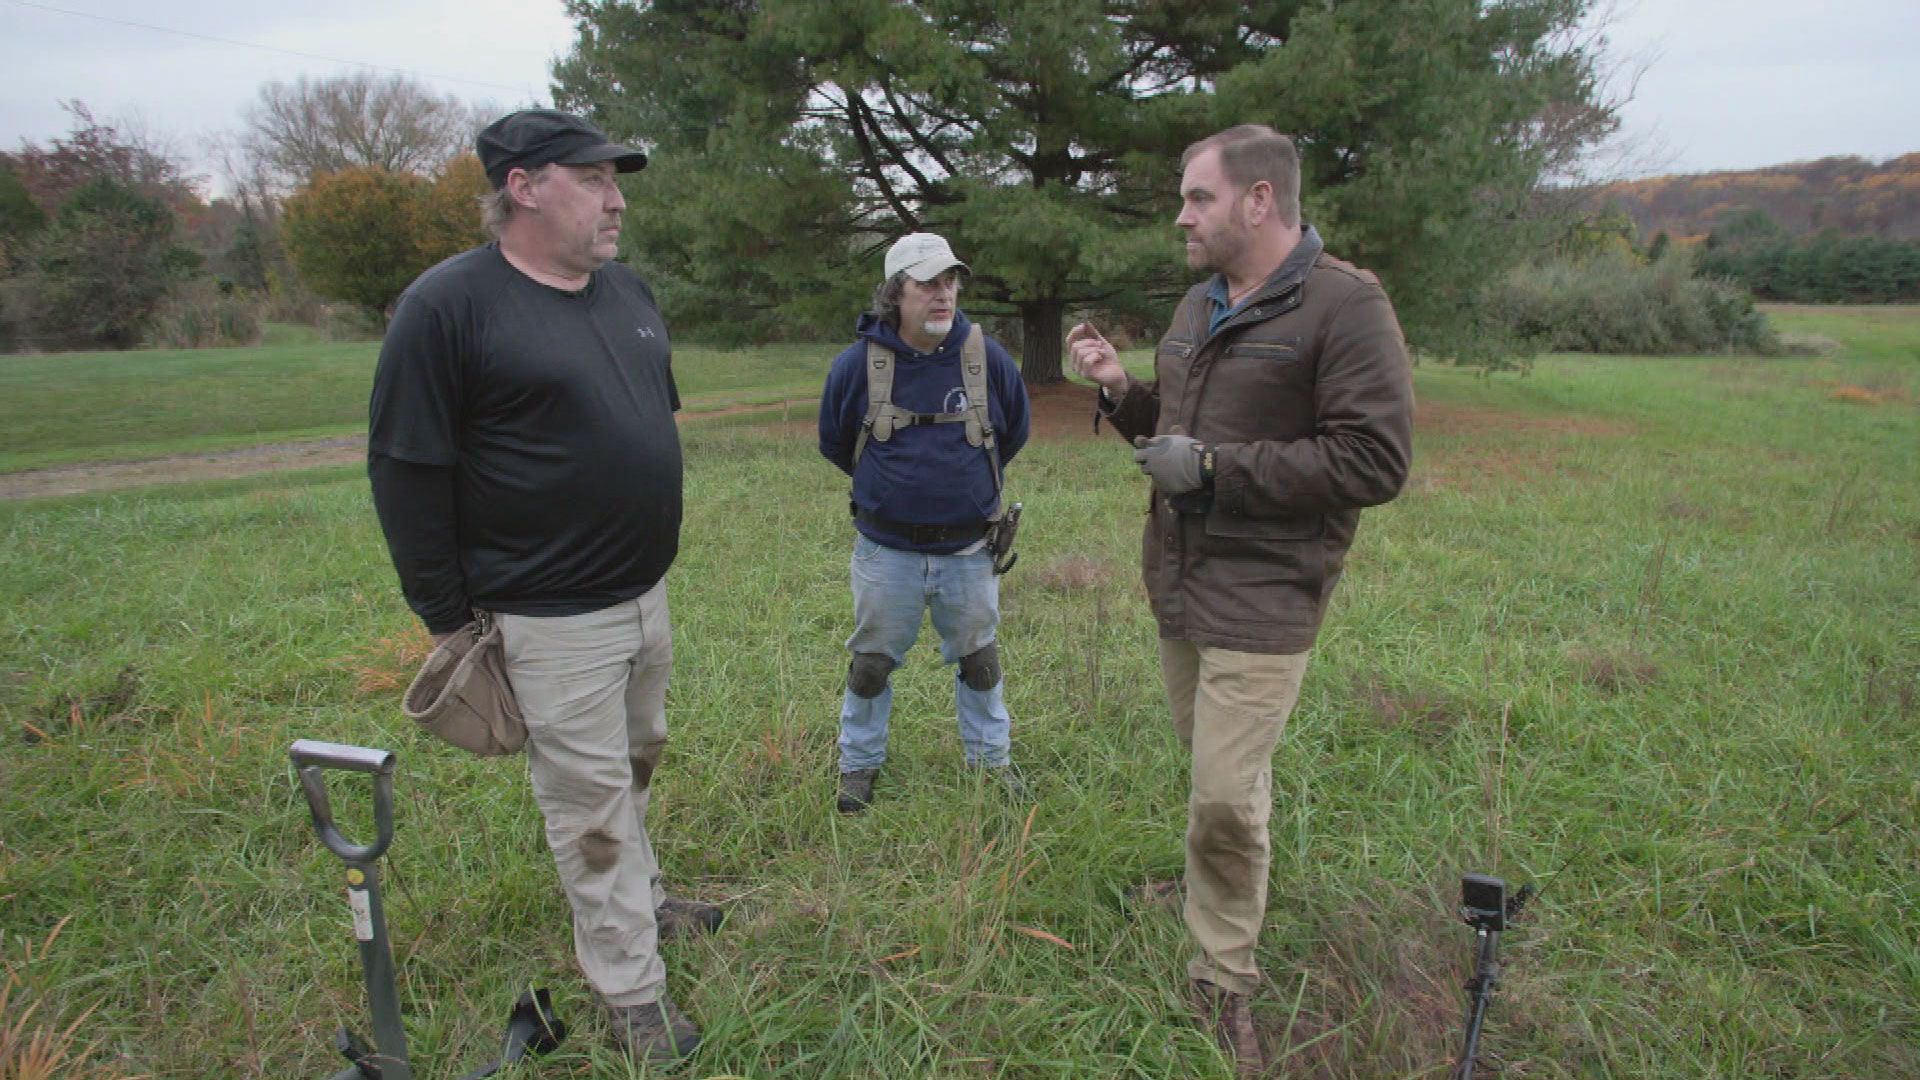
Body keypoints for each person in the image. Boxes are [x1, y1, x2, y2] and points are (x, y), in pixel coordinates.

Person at [366, 108, 719, 1066]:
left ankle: (644, 901)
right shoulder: (448, 308)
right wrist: (447, 620)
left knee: (637, 760)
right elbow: (404, 468)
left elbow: (646, 417)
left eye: (617, 182)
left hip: (643, 596)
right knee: (590, 807)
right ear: (523, 187)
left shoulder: (626, 291)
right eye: (595, 180)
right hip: (546, 618)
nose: (617, 201)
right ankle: (631, 994)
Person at [1066, 124, 1413, 1076]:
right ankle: (1216, 883)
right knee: (1215, 770)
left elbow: (1374, 461)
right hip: (1178, 579)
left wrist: (1217, 471)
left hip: (1269, 591)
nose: (1181, 214)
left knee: (1222, 793)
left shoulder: (1346, 305)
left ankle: (1223, 974)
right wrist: (1121, 391)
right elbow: (1174, 428)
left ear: (1259, 200)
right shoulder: (1196, 303)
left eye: (1198, 198)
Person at [818, 232, 1032, 813]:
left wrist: (962, 489)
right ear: (895, 294)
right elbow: (835, 442)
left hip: (969, 551)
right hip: (886, 553)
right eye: (928, 284)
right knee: (870, 665)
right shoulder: (857, 364)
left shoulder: (985, 357)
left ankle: (991, 764)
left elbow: (1011, 432)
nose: (944, 295)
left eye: (950, 281)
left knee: (979, 659)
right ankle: (858, 765)